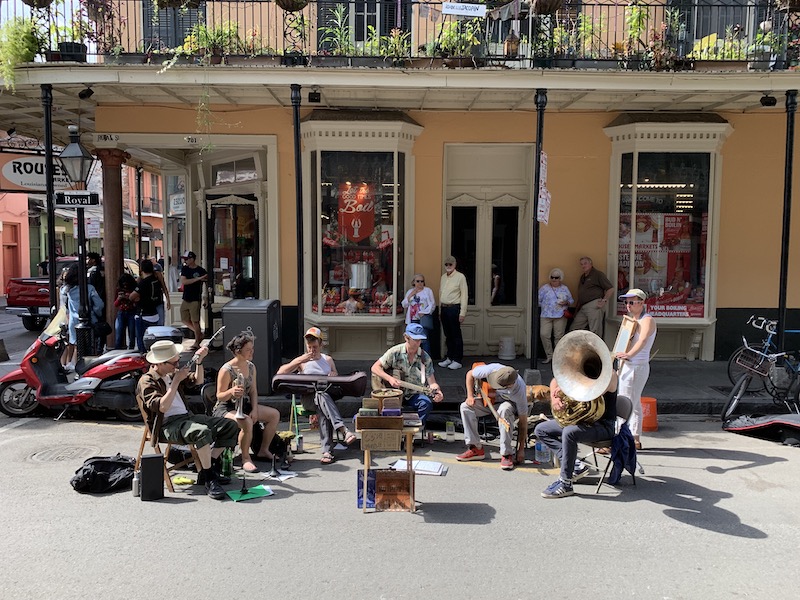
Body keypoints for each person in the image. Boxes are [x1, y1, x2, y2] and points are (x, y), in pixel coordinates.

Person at [137, 341, 239, 500]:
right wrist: (176, 381)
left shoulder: (170, 373)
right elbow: (162, 407)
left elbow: (198, 380)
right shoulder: (147, 381)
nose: (177, 365)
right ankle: (210, 478)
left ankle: (207, 469)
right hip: (168, 424)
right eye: (174, 362)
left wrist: (199, 361)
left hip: (186, 417)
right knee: (201, 432)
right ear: (160, 363)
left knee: (230, 425)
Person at [277, 327, 358, 465]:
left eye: (314, 347)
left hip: (325, 399)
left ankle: (327, 452)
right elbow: (280, 373)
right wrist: (299, 361)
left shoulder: (328, 360)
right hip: (308, 399)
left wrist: (333, 374)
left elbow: (336, 381)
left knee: (322, 400)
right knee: (321, 397)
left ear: (321, 345)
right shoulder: (302, 361)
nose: (312, 350)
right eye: (309, 347)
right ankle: (343, 429)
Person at [534, 368, 618, 499]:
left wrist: (567, 389)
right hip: (581, 421)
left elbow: (593, 391)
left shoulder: (610, 375)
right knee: (541, 429)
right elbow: (555, 381)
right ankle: (575, 465)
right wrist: (554, 398)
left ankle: (565, 483)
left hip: (603, 426)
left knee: (569, 432)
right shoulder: (578, 370)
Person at [213, 331, 280, 473]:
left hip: (244, 404)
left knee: (274, 414)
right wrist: (231, 392)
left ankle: (263, 449)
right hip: (226, 407)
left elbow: (253, 391)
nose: (252, 352)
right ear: (238, 351)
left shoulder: (250, 366)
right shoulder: (226, 370)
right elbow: (219, 396)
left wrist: (255, 409)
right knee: (246, 422)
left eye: (252, 349)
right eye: (248, 350)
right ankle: (245, 458)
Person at [457, 364, 528, 471]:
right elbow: (470, 374)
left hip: (507, 403)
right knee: (465, 407)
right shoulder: (490, 370)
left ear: (509, 385)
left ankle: (507, 454)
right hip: (488, 400)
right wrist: (470, 395)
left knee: (504, 410)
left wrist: (521, 449)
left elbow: (523, 421)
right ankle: (475, 448)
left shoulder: (519, 390)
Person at [371, 323, 444, 425]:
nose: (418, 343)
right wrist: (390, 379)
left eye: (420, 340)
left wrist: (438, 392)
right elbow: (375, 367)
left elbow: (432, 382)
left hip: (414, 394)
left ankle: (413, 431)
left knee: (426, 403)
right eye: (415, 340)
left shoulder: (425, 357)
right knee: (386, 408)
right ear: (406, 337)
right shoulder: (395, 352)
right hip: (393, 394)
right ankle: (394, 431)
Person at [615, 288, 657, 451]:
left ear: (642, 302)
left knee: (626, 401)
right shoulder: (631, 320)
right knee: (632, 400)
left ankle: (624, 436)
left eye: (631, 302)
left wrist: (628, 354)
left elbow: (643, 340)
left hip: (636, 365)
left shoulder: (647, 319)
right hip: (629, 365)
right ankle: (634, 437)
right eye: (626, 302)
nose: (628, 305)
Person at [59, 263, 104, 370]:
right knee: (89, 345)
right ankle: (79, 366)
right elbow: (99, 305)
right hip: (89, 320)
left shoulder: (66, 289)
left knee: (74, 343)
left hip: (72, 320)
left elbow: (63, 306)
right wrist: (98, 315)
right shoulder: (89, 288)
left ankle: (70, 364)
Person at [569, 256, 614, 336]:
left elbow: (610, 288)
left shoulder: (597, 274)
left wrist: (604, 300)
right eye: (581, 264)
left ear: (591, 263)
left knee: (595, 331)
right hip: (583, 307)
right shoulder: (583, 277)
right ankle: (579, 348)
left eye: (585, 263)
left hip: (594, 305)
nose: (583, 266)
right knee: (574, 329)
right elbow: (582, 293)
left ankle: (596, 348)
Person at [538, 268, 574, 364]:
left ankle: (558, 358)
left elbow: (571, 301)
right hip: (546, 315)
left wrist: (566, 302)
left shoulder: (564, 288)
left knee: (558, 336)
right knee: (544, 334)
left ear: (560, 278)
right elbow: (538, 300)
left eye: (556, 277)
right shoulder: (544, 288)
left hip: (560, 315)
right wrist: (545, 306)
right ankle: (549, 355)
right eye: (552, 277)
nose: (554, 279)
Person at [438, 255, 468, 370]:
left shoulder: (460, 277)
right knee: (448, 335)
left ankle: (457, 359)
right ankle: (449, 357)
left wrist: (462, 313)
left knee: (456, 335)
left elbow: (464, 295)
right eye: (446, 264)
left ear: (455, 265)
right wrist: (440, 310)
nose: (448, 266)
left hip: (454, 308)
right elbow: (441, 293)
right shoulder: (443, 277)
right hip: (445, 308)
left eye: (450, 264)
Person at [128, 260, 163, 353]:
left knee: (141, 338)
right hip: (154, 313)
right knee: (151, 338)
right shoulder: (156, 280)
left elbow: (132, 297)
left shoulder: (143, 283)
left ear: (141, 269)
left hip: (143, 314)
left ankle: (143, 356)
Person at [401, 273, 435, 356]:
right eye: (417, 281)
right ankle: (414, 358)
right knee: (412, 340)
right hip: (413, 319)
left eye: (422, 281)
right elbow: (404, 305)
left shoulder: (428, 291)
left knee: (424, 340)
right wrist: (410, 296)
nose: (420, 283)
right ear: (413, 282)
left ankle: (426, 360)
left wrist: (424, 312)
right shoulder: (410, 291)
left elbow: (433, 304)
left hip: (423, 319)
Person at [180, 251, 208, 350]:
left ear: (192, 259)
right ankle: (199, 334)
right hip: (186, 298)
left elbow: (207, 285)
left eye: (186, 259)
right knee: (184, 318)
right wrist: (198, 279)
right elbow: (184, 281)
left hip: (196, 298)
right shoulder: (185, 269)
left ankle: (197, 341)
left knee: (195, 320)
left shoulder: (201, 270)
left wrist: (206, 299)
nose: (185, 261)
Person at [113, 273, 137, 350]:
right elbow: (115, 304)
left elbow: (136, 302)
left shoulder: (133, 290)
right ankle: (118, 348)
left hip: (131, 312)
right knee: (119, 332)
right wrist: (119, 298)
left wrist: (129, 297)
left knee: (132, 332)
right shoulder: (118, 290)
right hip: (122, 312)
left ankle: (131, 348)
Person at [150, 257, 172, 325]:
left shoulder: (158, 274)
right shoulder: (143, 278)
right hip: (149, 304)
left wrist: (168, 300)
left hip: (158, 301)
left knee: (160, 322)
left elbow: (164, 287)